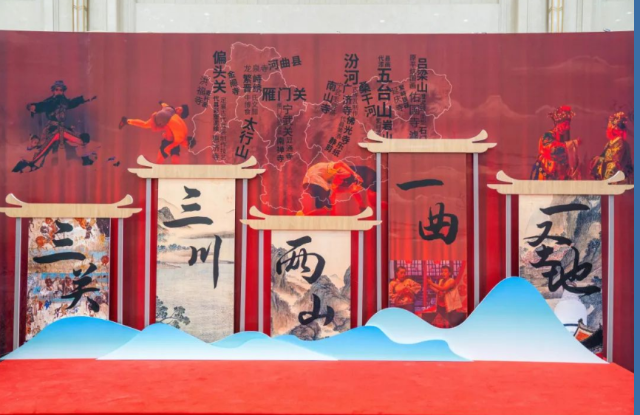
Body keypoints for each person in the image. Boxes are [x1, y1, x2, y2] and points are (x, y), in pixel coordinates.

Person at [13, 80, 97, 172]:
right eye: (57, 90)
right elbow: (42, 105)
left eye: (61, 90)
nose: (59, 92)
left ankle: (86, 160)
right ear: (53, 91)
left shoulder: (65, 102)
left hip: (63, 129)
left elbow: (74, 102)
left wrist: (84, 98)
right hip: (52, 129)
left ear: (63, 91)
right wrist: (34, 107)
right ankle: (29, 164)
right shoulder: (50, 102)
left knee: (81, 140)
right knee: (44, 147)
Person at [119, 101, 193, 164]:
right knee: (146, 125)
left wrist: (161, 103)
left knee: (145, 124)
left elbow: (165, 107)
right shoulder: (173, 117)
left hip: (168, 133)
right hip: (166, 132)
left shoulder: (175, 119)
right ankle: (127, 121)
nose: (177, 108)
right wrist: (155, 116)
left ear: (181, 115)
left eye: (180, 110)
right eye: (179, 108)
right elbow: (159, 128)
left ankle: (127, 121)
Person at [300, 161, 376, 215]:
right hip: (318, 180)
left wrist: (354, 174)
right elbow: (340, 190)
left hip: (364, 175)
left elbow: (341, 166)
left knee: (372, 200)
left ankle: (363, 205)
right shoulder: (329, 181)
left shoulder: (333, 174)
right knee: (326, 207)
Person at [530, 105, 581, 180]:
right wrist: (573, 144)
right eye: (565, 124)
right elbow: (554, 151)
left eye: (568, 125)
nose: (568, 127)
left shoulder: (563, 139)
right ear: (558, 124)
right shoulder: (547, 136)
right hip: (543, 177)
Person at [590, 112, 633, 183]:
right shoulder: (610, 143)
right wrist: (597, 159)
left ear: (615, 128)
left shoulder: (621, 143)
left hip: (618, 179)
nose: (608, 129)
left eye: (609, 127)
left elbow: (616, 164)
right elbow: (604, 157)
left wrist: (599, 161)